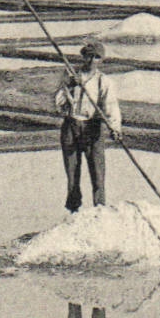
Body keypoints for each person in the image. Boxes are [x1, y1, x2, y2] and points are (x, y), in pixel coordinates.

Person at [54, 42, 121, 213]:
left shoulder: (104, 81)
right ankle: (73, 210)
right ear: (84, 57)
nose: (92, 60)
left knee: (97, 172)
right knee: (72, 172)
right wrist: (71, 85)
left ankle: (100, 210)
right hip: (71, 126)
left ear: (101, 60)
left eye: (97, 57)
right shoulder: (70, 75)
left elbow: (111, 107)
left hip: (93, 128)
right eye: (89, 56)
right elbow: (59, 103)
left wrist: (115, 128)